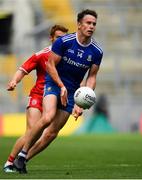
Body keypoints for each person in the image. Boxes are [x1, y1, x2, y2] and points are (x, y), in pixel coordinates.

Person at [13, 9, 103, 173]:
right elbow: (50, 65)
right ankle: (22, 152)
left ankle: (23, 158)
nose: (91, 26)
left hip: (72, 91)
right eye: (88, 23)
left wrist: (83, 99)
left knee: (52, 133)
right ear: (79, 24)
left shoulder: (97, 51)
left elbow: (92, 77)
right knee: (47, 117)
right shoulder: (64, 42)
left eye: (94, 24)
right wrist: (61, 86)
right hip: (54, 83)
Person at [3, 25, 68, 173]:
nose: (61, 40)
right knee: (32, 131)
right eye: (58, 37)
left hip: (56, 98)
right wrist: (14, 81)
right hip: (38, 96)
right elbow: (23, 69)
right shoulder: (42, 54)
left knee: (51, 134)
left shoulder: (69, 56)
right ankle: (9, 162)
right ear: (51, 38)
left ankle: (22, 160)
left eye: (64, 37)